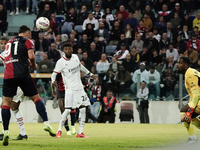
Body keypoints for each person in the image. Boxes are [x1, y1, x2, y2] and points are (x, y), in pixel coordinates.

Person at [1, 25, 56, 146]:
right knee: (36, 99)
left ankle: (5, 131)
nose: (30, 37)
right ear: (27, 34)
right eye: (30, 35)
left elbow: (4, 57)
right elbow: (31, 56)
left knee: (5, 104)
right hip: (22, 75)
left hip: (8, 76)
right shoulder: (27, 41)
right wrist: (33, 65)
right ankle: (46, 123)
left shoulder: (9, 42)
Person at [51, 42, 97, 138]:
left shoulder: (75, 57)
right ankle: (59, 130)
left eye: (69, 48)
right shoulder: (60, 62)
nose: (68, 50)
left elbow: (81, 67)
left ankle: (80, 132)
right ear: (63, 51)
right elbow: (54, 73)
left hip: (80, 88)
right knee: (67, 110)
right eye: (66, 49)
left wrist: (91, 74)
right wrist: (53, 81)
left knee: (83, 109)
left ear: (72, 49)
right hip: (70, 90)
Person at [0, 37, 27, 141]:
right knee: (14, 108)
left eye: (5, 43)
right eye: (1, 43)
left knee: (4, 106)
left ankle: (4, 132)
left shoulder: (6, 54)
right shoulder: (18, 53)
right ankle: (23, 133)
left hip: (16, 83)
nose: (3, 45)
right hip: (21, 82)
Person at [177, 57, 200, 143]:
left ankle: (193, 138)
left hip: (199, 100)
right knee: (192, 117)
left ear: (186, 65)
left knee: (184, 112)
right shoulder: (190, 72)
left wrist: (190, 109)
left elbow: (196, 94)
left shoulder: (190, 74)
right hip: (198, 100)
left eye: (180, 63)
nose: (177, 64)